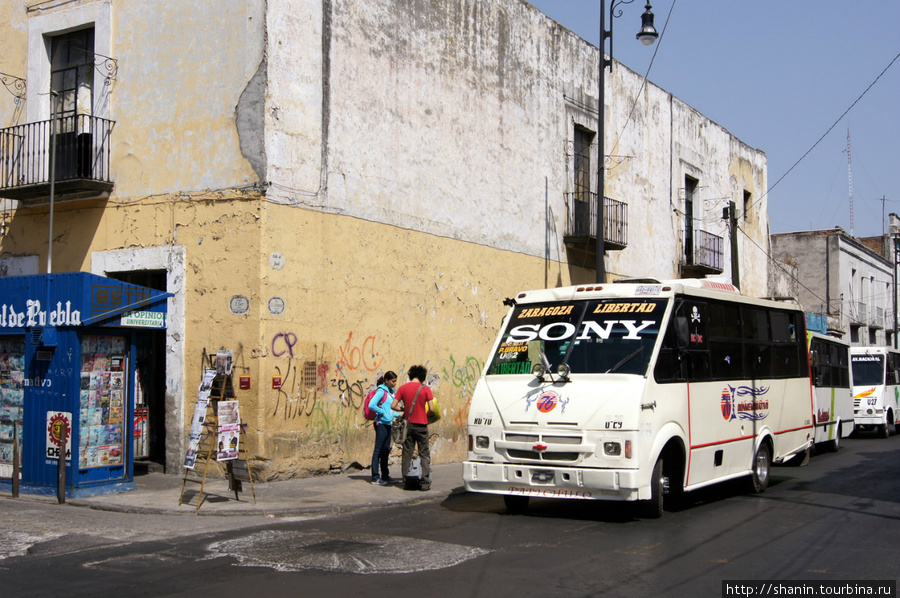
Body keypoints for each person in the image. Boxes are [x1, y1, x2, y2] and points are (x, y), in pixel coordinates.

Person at [391, 365, 435, 491]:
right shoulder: (426, 389)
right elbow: (431, 409)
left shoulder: (402, 388)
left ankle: (406, 481)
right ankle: (425, 483)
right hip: (422, 426)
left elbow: (393, 406)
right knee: (424, 454)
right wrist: (425, 415)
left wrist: (404, 409)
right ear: (422, 376)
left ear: (410, 375)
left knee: (407, 454)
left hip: (407, 425)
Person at [369, 371, 399, 486]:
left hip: (388, 424)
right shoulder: (381, 391)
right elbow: (372, 405)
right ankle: (375, 477)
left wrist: (398, 415)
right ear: (386, 380)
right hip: (380, 424)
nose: (394, 383)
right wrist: (383, 413)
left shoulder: (391, 392)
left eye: (395, 381)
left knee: (386, 450)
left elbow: (390, 409)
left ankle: (385, 475)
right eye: (393, 381)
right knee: (378, 450)